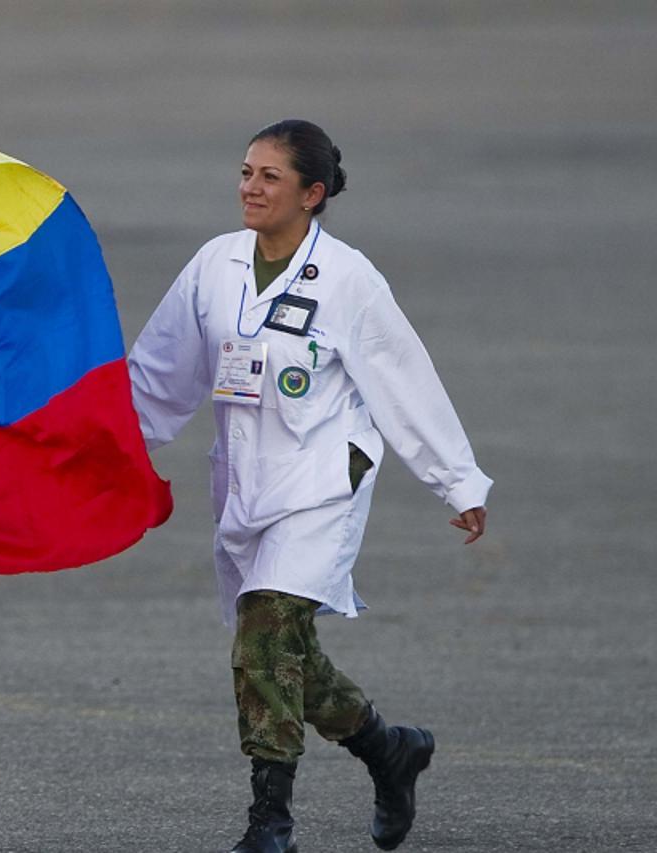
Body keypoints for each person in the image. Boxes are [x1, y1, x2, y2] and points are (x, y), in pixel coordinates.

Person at [127, 119, 492, 853]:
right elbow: (159, 372)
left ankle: (271, 826)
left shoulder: (349, 279)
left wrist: (456, 479)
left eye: (269, 177)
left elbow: (402, 377)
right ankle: (389, 747)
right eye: (245, 172)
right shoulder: (215, 264)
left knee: (265, 634)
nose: (249, 187)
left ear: (312, 193)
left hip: (323, 481)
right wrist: (111, 448)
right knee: (290, 655)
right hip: (244, 482)